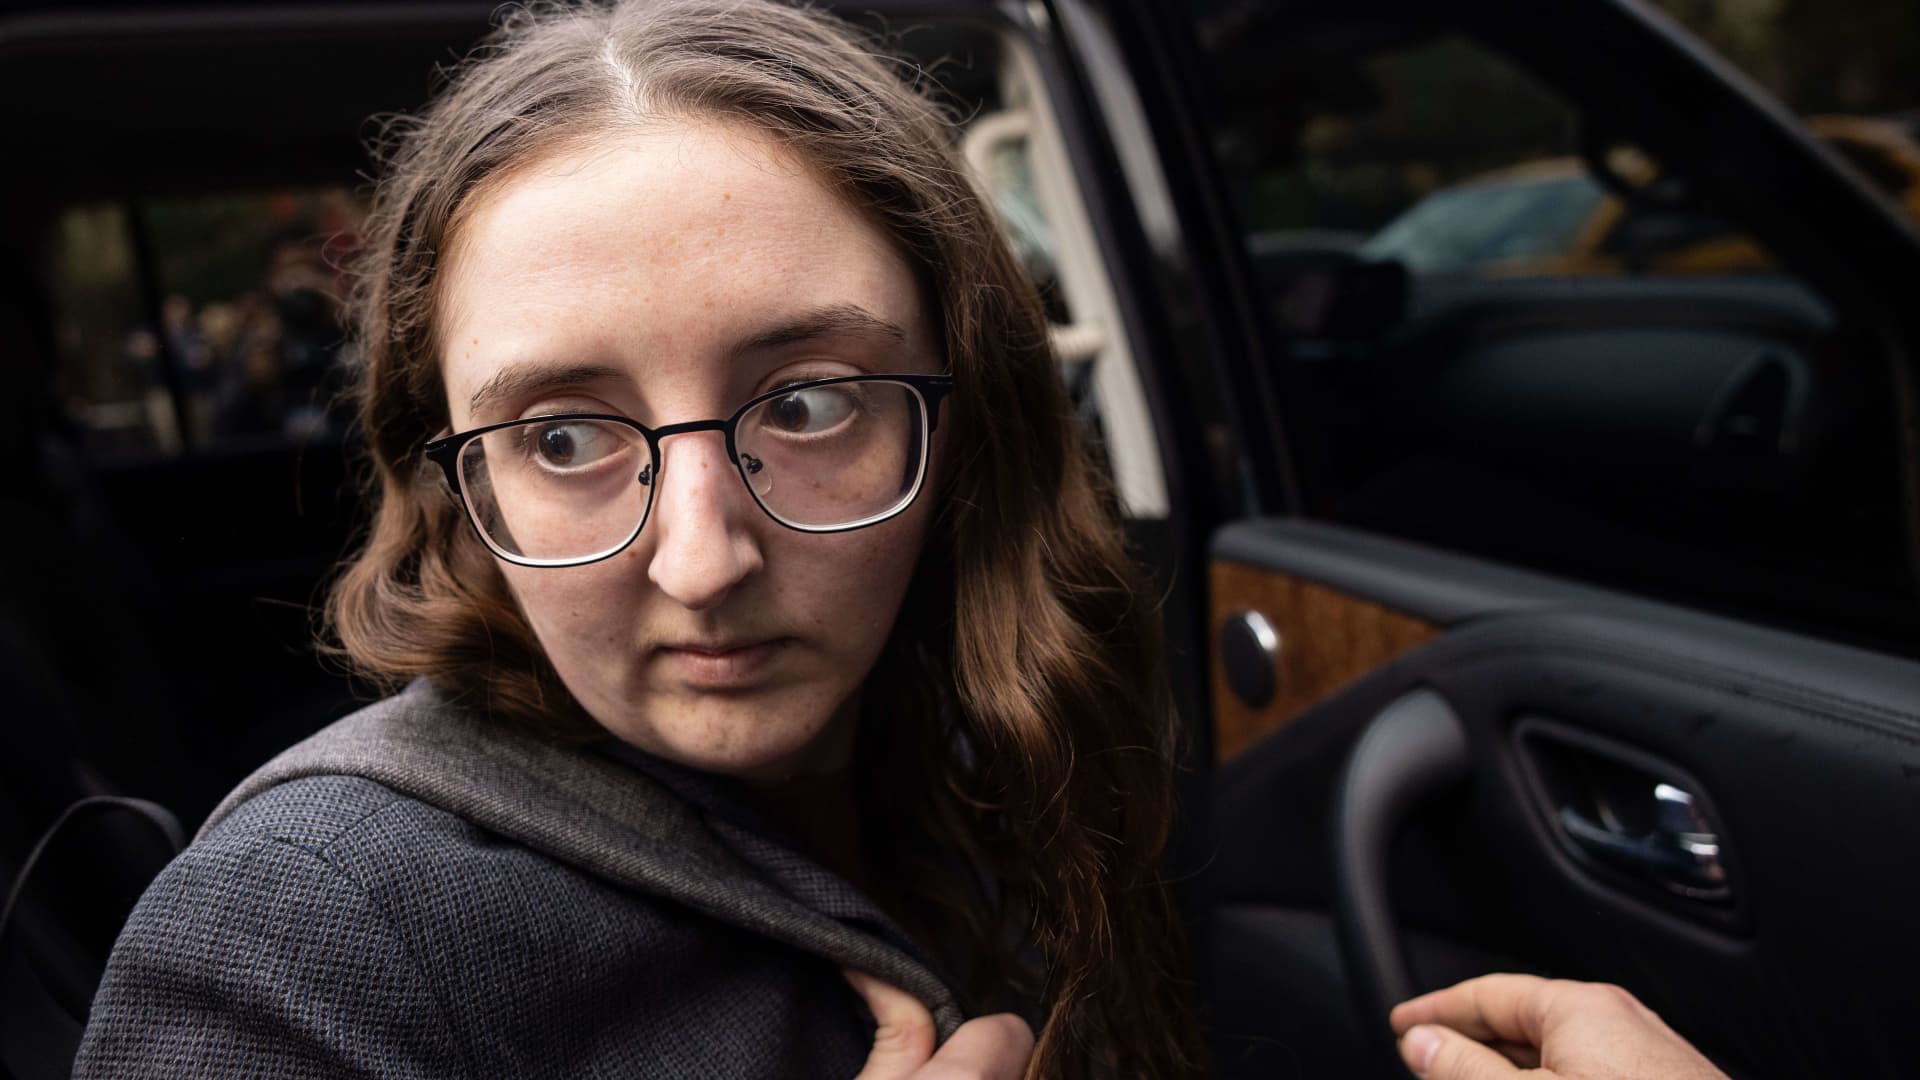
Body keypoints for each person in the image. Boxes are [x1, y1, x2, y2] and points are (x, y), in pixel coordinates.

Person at [71, 2, 1734, 1078]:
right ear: (456, 481)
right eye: (566, 436)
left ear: (965, 421)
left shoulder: (991, 744)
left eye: (807, 405)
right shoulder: (295, 946)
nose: (703, 560)